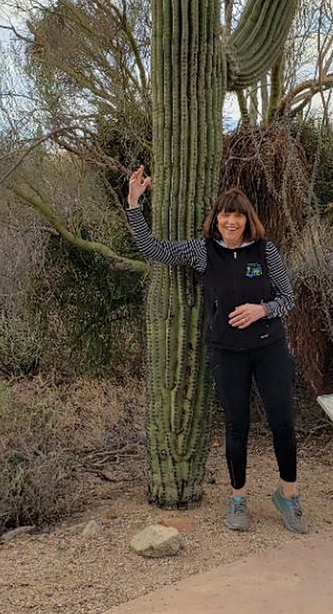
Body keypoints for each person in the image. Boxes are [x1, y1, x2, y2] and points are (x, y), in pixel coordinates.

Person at [126, 165, 306, 534]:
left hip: (269, 347)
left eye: (238, 215)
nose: (231, 221)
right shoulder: (203, 251)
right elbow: (152, 248)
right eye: (226, 214)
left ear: (247, 218)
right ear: (217, 218)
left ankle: (287, 495)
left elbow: (288, 298)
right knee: (236, 426)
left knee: (282, 423)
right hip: (228, 352)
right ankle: (238, 499)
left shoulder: (265, 251)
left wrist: (262, 309)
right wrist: (133, 205)